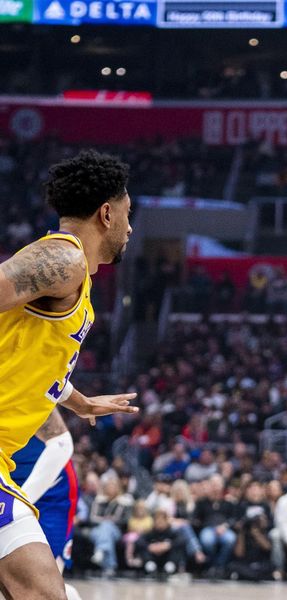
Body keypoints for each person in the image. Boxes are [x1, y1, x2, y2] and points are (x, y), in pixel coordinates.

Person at [0, 149, 139, 599]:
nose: (130, 227)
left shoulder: (72, 272)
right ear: (106, 213)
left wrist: (80, 402)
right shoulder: (65, 260)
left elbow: (30, 359)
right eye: (127, 214)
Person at [10, 410, 83, 600]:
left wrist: (22, 501)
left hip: (51, 487)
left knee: (47, 585)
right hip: (8, 481)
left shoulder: (20, 385)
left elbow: (61, 444)